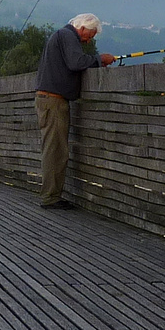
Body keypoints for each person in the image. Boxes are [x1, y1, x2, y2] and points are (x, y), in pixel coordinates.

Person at [34, 13, 115, 208]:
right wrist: (99, 59)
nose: (89, 40)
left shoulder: (61, 35)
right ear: (83, 28)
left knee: (54, 149)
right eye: (90, 35)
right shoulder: (68, 36)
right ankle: (50, 198)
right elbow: (75, 62)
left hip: (49, 99)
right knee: (56, 151)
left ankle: (50, 195)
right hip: (54, 101)